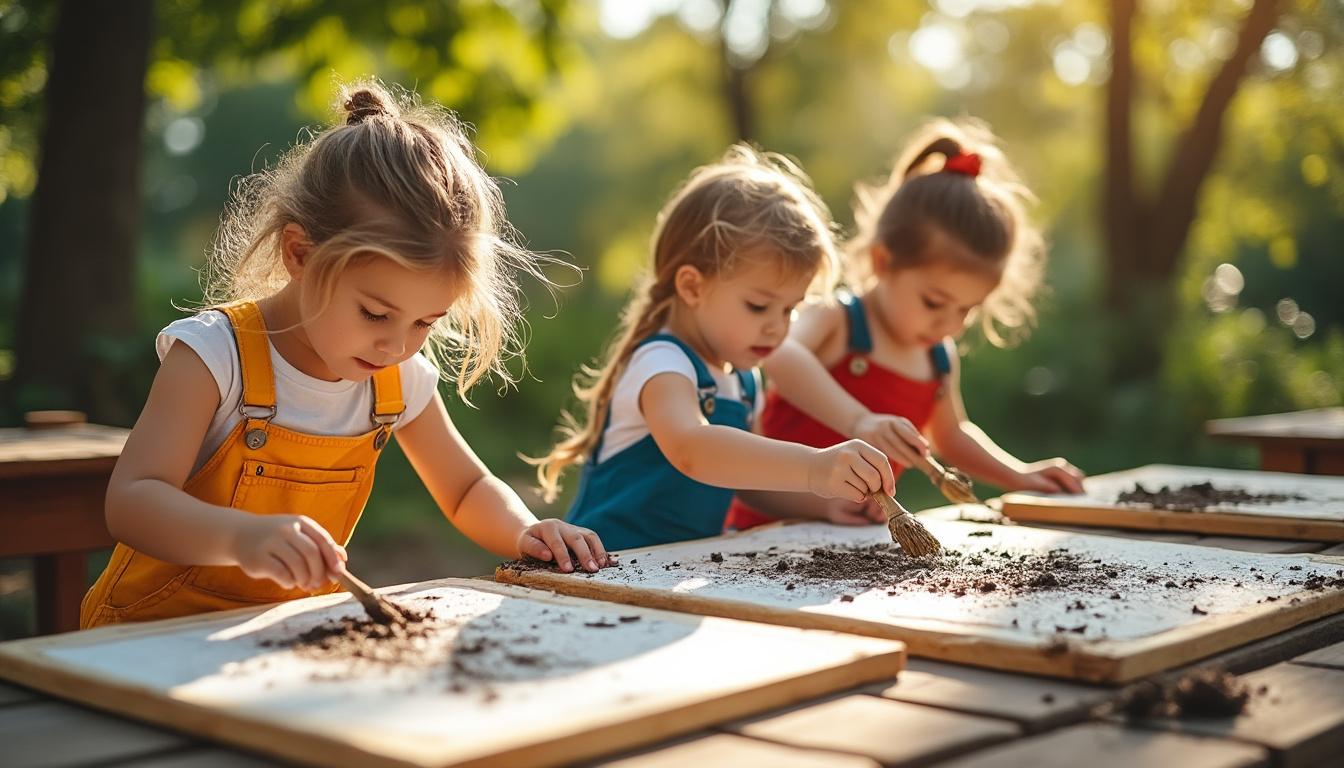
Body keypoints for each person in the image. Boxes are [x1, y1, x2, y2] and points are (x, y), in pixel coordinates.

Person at [81, 81, 609, 629]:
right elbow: (133, 501)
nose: (398, 346)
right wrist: (239, 537)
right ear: (301, 255)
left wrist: (525, 530)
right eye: (376, 314)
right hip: (142, 641)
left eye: (426, 322)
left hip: (276, 643)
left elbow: (466, 488)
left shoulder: (395, 379)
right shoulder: (215, 355)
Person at [531, 145, 896, 551]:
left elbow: (746, 483)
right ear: (692, 286)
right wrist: (814, 465)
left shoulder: (743, 379)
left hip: (677, 569)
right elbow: (693, 449)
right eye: (758, 306)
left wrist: (822, 503)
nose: (778, 327)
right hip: (606, 567)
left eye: (791, 309)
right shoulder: (662, 363)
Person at [727, 119, 1084, 531]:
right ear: (884, 262)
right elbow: (781, 353)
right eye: (935, 302)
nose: (949, 324)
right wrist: (858, 421)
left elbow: (951, 436)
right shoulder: (838, 321)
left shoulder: (936, 357)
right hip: (760, 534)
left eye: (967, 310)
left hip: (855, 544)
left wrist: (1020, 476)